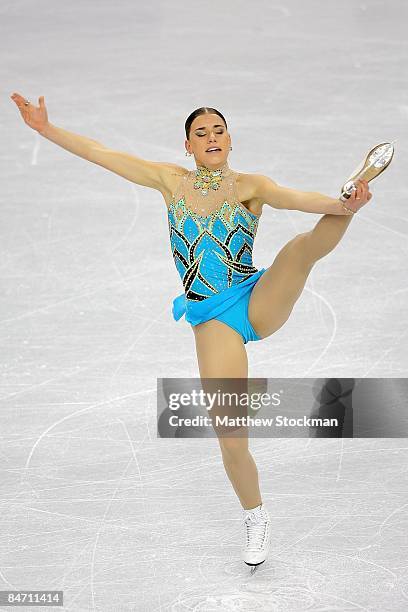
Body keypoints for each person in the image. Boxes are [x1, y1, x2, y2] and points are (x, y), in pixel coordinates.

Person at [10, 94, 372, 570]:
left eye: (218, 130)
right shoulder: (171, 181)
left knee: (300, 249)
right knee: (231, 432)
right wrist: (46, 129)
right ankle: (255, 515)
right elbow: (104, 155)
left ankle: (352, 211)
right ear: (187, 146)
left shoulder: (250, 185)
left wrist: (341, 203)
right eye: (201, 134)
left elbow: (302, 202)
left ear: (229, 139)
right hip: (213, 318)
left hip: (257, 297)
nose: (212, 138)